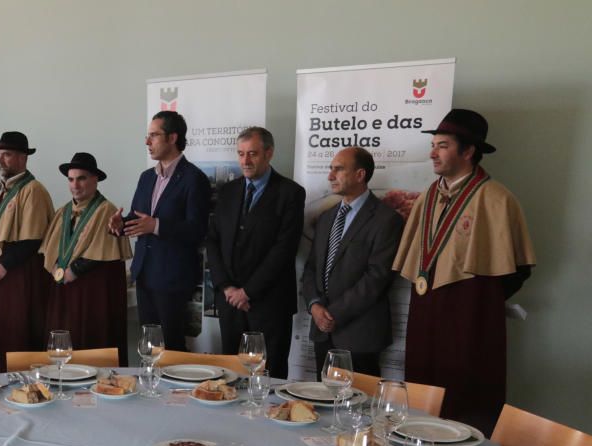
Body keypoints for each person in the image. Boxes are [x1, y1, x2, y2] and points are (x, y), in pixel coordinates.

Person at [393, 109, 536, 434]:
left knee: (466, 395)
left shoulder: (496, 199)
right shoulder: (429, 195)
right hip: (426, 312)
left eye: (442, 145)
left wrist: (478, 300)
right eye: (434, 145)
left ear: (468, 151)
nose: (432, 153)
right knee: (421, 393)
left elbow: (519, 268)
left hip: (470, 317)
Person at [205, 127, 305, 379]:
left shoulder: (290, 193)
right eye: (240, 154)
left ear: (268, 153)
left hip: (269, 304)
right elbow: (213, 240)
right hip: (230, 303)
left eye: (252, 154)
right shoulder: (228, 191)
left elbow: (284, 250)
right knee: (231, 375)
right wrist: (227, 287)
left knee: (269, 376)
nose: (245, 161)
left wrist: (247, 292)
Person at [108, 110, 211, 352]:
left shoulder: (194, 179)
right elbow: (139, 219)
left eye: (154, 135)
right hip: (144, 273)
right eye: (147, 136)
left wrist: (157, 226)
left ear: (173, 138)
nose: (147, 142)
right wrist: (119, 225)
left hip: (172, 277)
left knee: (171, 346)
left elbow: (197, 230)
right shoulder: (146, 177)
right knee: (148, 346)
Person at [301, 147, 404, 377]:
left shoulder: (387, 220)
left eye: (338, 169)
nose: (330, 176)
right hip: (322, 332)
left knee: (359, 408)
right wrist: (315, 306)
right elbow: (311, 268)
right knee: (323, 403)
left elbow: (377, 278)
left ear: (360, 175)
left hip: (359, 336)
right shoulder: (327, 218)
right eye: (331, 169)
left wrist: (332, 315)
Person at [0, 131, 53, 373]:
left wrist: (2, 267)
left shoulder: (33, 190)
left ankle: (23, 384)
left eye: (7, 154)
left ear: (23, 158)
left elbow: (33, 240)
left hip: (20, 275)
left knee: (19, 331)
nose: (0, 160)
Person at [40, 153, 132, 365]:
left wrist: (74, 271)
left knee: (91, 339)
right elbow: (50, 247)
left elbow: (103, 250)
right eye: (71, 179)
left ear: (95, 180)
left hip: (93, 290)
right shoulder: (63, 211)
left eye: (81, 178)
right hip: (64, 288)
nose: (75, 185)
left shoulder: (106, 210)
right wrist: (56, 269)